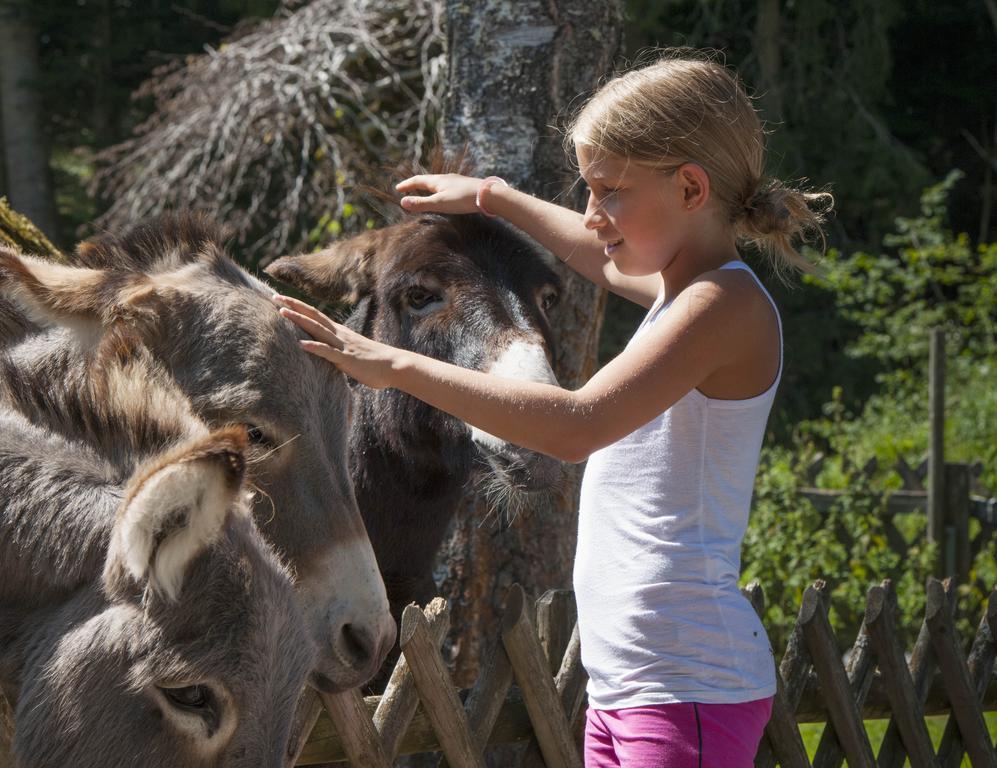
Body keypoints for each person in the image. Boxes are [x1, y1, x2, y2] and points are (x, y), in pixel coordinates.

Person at [273, 50, 832, 768]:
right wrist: (491, 197)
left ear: (690, 188)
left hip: (685, 685)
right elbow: (595, 257)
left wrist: (395, 365)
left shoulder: (720, 305)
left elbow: (576, 428)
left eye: (607, 191)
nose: (591, 216)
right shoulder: (685, 292)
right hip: (633, 684)